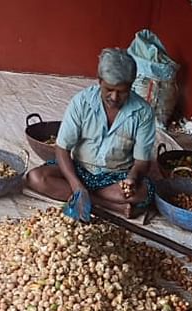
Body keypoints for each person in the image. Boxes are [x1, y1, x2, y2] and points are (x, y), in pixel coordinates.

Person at [24, 48, 155, 220]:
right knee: (35, 178)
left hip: (116, 177)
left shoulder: (143, 112)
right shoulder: (82, 102)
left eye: (122, 91)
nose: (114, 97)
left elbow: (142, 162)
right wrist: (76, 185)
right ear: (99, 81)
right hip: (80, 169)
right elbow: (62, 149)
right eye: (109, 89)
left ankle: (88, 197)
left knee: (144, 192)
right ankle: (109, 205)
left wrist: (131, 178)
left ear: (131, 86)